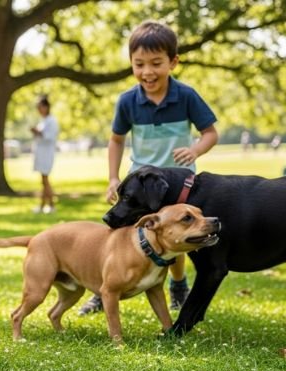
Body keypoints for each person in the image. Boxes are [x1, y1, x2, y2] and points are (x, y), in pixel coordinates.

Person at [79, 20, 219, 316]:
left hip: (179, 184)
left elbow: (210, 133)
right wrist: (114, 177)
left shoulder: (186, 96)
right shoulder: (128, 100)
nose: (147, 72)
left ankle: (178, 285)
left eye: (156, 63)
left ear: (173, 62)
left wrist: (194, 149)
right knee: (120, 232)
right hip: (141, 184)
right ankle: (104, 286)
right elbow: (116, 140)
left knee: (176, 235)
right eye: (139, 64)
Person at [30, 95, 59, 214]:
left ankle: (51, 205)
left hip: (47, 154)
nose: (39, 110)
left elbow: (50, 137)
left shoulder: (52, 121)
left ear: (46, 107)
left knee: (45, 180)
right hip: (41, 153)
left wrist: (38, 133)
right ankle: (43, 206)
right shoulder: (43, 121)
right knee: (43, 181)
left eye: (41, 107)